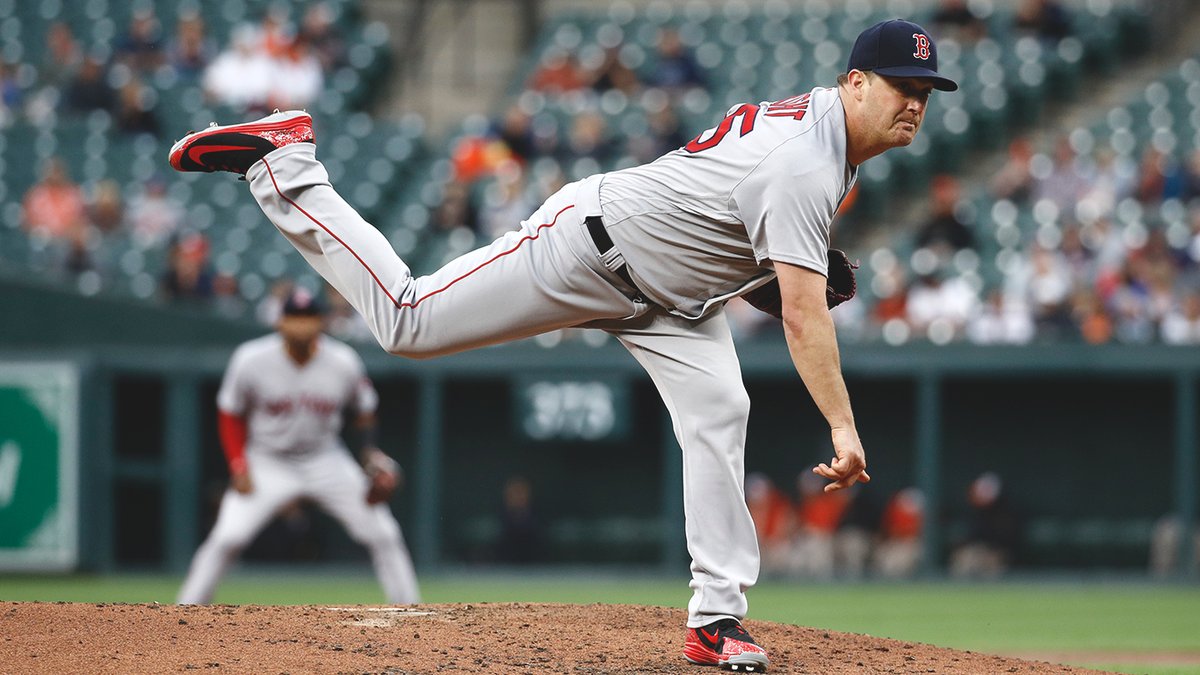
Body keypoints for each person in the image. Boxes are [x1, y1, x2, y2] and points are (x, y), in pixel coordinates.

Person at [169, 19, 957, 671]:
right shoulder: (807, 164)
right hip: (587, 249)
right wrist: (844, 426)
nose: (914, 104)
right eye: (900, 87)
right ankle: (289, 164)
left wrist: (756, 267)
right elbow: (801, 315)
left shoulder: (827, 141)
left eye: (925, 93)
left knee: (721, 406)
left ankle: (716, 619)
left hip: (670, 300)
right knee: (407, 321)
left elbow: (722, 211)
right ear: (855, 83)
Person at [177, 289, 421, 605]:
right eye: (294, 318)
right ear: (281, 322)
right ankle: (182, 614)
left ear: (321, 323)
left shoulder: (343, 361)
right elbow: (230, 414)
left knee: (384, 533)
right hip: (268, 460)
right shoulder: (251, 359)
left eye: (308, 318)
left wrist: (369, 453)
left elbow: (364, 413)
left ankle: (411, 614)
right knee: (228, 537)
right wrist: (238, 463)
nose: (301, 326)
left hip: (326, 459)